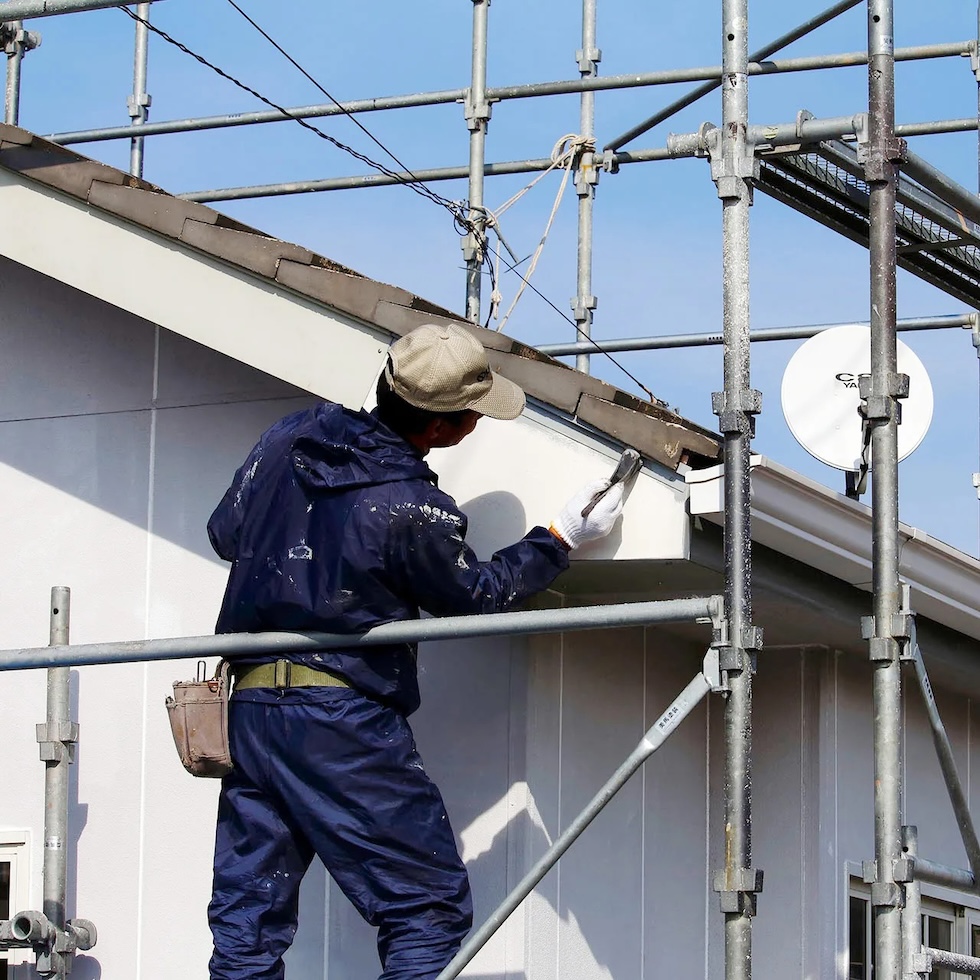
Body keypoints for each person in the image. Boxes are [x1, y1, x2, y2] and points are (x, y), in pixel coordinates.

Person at [205, 322, 627, 980]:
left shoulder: (290, 438)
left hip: (251, 709)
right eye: (474, 417)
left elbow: (225, 532)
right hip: (340, 719)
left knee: (248, 915)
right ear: (443, 428)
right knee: (426, 909)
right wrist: (559, 538)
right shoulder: (411, 508)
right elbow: (476, 597)